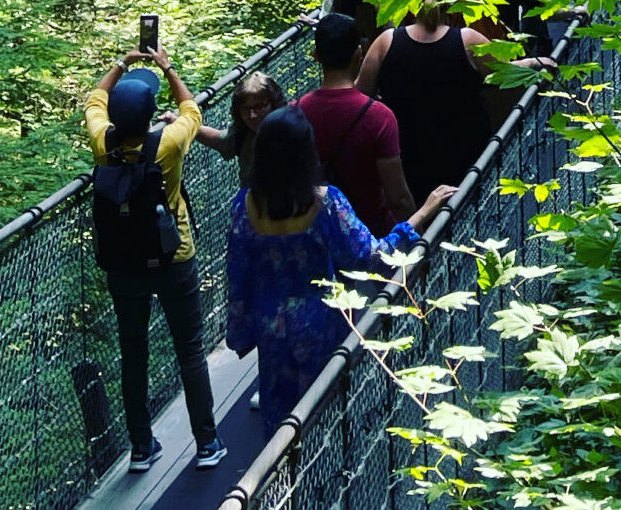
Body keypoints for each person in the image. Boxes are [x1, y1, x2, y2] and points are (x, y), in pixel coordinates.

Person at [225, 107, 452, 431]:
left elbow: (238, 272)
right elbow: (369, 258)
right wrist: (421, 215)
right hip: (322, 320)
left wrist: (240, 331)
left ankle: (282, 477)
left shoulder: (244, 205)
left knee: (280, 418)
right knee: (326, 412)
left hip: (270, 325)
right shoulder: (325, 202)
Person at [85, 48, 228, 477]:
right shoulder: (166, 142)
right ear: (150, 113)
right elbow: (191, 108)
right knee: (190, 350)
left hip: (123, 263)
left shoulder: (101, 141)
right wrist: (166, 66)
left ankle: (142, 448)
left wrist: (122, 63)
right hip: (173, 257)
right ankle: (206, 443)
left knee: (133, 354)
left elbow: (94, 100)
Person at [356, 0, 499, 203]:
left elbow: (359, 98)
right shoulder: (468, 40)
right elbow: (504, 75)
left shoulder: (386, 42)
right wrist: (532, 64)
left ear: (412, 4)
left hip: (408, 158)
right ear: (450, 5)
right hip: (467, 158)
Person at [297, 13, 413, 234]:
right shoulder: (379, 116)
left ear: (315, 56)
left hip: (317, 237)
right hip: (372, 236)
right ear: (359, 54)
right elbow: (398, 199)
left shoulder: (295, 113)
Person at [198, 71, 286, 186]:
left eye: (259, 107)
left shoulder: (293, 130)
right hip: (253, 197)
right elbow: (221, 140)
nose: (252, 115)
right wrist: (184, 125)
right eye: (246, 109)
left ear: (274, 104)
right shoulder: (242, 133)